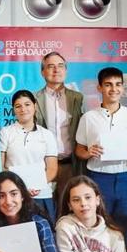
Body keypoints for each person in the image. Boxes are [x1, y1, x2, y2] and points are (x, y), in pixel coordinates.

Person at [75, 67, 127, 241]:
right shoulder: (88, 117)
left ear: (123, 88)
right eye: (108, 85)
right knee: (99, 224)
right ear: (99, 88)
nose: (113, 89)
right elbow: (79, 149)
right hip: (99, 177)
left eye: (118, 85)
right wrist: (88, 152)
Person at [0, 90, 58, 219]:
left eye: (27, 104)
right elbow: (1, 165)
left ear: (35, 106)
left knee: (44, 235)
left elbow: (52, 169)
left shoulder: (46, 134)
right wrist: (20, 188)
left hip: (42, 195)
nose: (23, 109)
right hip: (14, 197)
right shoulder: (6, 132)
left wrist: (37, 185)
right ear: (13, 109)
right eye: (18, 106)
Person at [34, 51, 83, 198]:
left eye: (60, 66)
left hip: (71, 166)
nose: (56, 70)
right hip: (43, 166)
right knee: (46, 211)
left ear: (66, 71)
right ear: (43, 72)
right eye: (51, 66)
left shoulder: (78, 98)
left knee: (70, 210)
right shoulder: (33, 99)